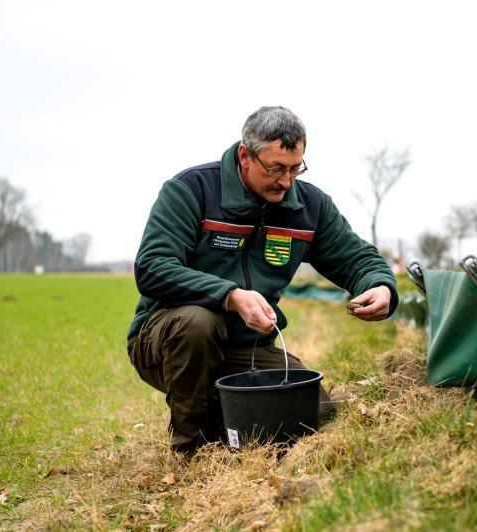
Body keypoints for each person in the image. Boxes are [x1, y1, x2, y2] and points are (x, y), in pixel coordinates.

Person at [126, 106, 398, 455]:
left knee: (316, 413)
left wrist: (379, 285)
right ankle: (192, 448)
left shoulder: (309, 206)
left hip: (245, 348)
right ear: (245, 155)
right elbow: (152, 266)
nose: (286, 181)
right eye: (275, 168)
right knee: (198, 322)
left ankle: (225, 417)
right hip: (166, 342)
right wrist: (231, 296)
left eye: (295, 168)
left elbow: (356, 257)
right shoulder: (191, 190)